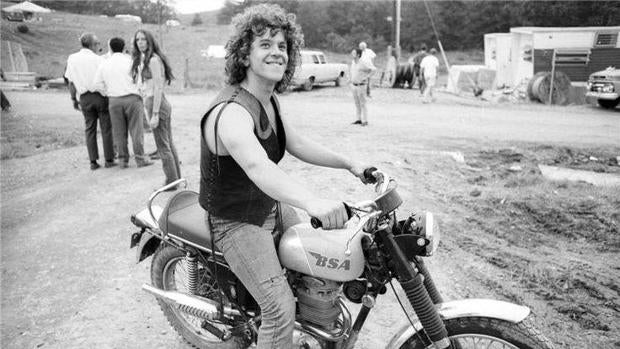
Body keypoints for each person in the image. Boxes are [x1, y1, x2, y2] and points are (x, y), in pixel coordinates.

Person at [199, 4, 371, 348]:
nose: (277, 52)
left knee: (314, 263)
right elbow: (258, 167)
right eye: (265, 44)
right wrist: (312, 202)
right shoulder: (231, 111)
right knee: (279, 309)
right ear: (245, 55)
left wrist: (350, 164)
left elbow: (297, 142)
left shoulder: (269, 100)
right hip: (234, 221)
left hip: (267, 206)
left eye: (282, 46)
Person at [131, 29, 181, 189]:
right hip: (155, 102)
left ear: (150, 41)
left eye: (143, 39)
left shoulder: (152, 60)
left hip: (156, 104)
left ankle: (171, 182)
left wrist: (155, 114)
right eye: (137, 40)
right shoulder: (149, 59)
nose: (140, 42)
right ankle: (175, 179)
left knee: (162, 147)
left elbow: (159, 87)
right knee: (168, 144)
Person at [94, 37, 153, 169]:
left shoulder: (104, 63)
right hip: (133, 98)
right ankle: (140, 159)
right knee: (136, 131)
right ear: (124, 47)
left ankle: (123, 160)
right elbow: (141, 79)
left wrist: (107, 92)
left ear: (110, 47)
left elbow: (97, 84)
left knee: (119, 132)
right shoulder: (131, 61)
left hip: (114, 100)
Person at [64, 32, 116, 170]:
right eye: (98, 43)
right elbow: (106, 79)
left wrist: (73, 98)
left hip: (84, 97)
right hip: (100, 96)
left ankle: (93, 161)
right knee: (106, 128)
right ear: (92, 45)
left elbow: (71, 82)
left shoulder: (72, 58)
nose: (98, 46)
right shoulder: (99, 60)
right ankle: (109, 159)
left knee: (90, 129)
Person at [350, 48, 376, 126]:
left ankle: (365, 120)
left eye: (354, 53)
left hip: (361, 85)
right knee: (357, 103)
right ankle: (358, 119)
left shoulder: (363, 62)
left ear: (358, 55)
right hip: (354, 85)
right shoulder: (353, 62)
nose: (352, 53)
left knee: (363, 103)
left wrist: (367, 77)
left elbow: (373, 69)